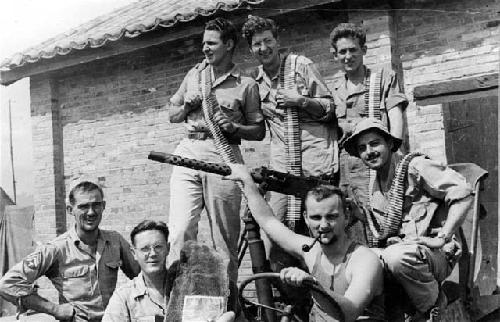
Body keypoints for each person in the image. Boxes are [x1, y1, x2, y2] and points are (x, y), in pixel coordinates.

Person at [167, 17, 265, 309]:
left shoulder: (245, 84)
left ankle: (226, 306)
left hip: (223, 155)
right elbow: (172, 113)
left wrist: (235, 128)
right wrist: (187, 105)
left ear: (229, 45)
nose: (205, 49)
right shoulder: (195, 74)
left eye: (211, 43)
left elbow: (258, 130)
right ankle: (178, 303)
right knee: (180, 229)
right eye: (203, 43)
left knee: (225, 239)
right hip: (189, 149)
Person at [343, 118, 474, 321]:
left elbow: (464, 192)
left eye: (375, 143)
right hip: (407, 253)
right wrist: (360, 215)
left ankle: (434, 305)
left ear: (390, 144)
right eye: (362, 148)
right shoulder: (375, 182)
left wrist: (442, 237)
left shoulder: (415, 166)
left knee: (396, 256)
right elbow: (385, 229)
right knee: (360, 260)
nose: (369, 151)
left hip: (436, 254)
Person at [225, 165, 385, 322]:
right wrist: (247, 182)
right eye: (316, 218)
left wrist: (313, 284)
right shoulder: (312, 251)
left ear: (347, 217)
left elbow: (349, 312)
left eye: (331, 217)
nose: (323, 225)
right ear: (306, 219)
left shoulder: (364, 260)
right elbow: (267, 220)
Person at [0, 181, 140, 321]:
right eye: (83, 207)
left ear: (103, 206)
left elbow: (142, 276)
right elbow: (8, 284)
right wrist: (55, 309)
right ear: (70, 209)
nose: (91, 212)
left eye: (96, 205)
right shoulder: (56, 249)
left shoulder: (115, 241)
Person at [329, 23, 408, 213]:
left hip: (377, 167)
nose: (348, 56)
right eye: (342, 52)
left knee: (384, 220)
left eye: (353, 50)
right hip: (346, 173)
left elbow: (396, 122)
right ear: (335, 55)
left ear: (363, 50)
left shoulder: (382, 79)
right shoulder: (334, 91)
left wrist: (393, 161)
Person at [103, 220, 235, 322]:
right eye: (145, 249)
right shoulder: (124, 297)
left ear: (168, 248)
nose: (152, 253)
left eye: (158, 247)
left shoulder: (189, 285)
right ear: (134, 253)